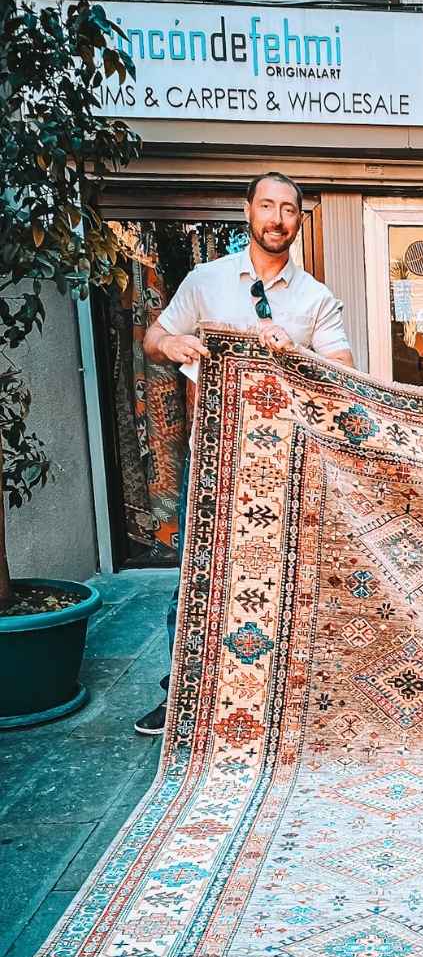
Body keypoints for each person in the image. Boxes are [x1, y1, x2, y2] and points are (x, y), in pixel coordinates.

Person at [134, 171, 354, 735]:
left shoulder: (315, 299)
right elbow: (152, 338)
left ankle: (273, 695)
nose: (277, 218)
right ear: (248, 211)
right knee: (196, 577)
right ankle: (182, 695)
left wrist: (299, 358)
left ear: (299, 221)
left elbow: (344, 375)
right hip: (211, 461)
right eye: (267, 205)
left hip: (286, 464)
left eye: (288, 210)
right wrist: (174, 344)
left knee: (286, 574)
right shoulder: (206, 282)